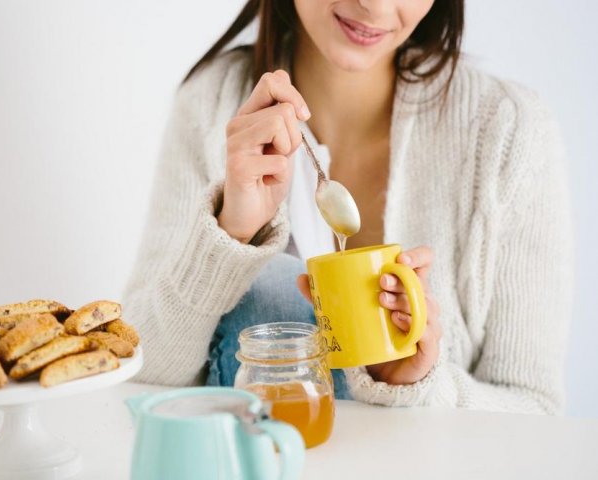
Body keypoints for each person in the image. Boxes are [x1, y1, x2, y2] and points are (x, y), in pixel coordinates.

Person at [123, 0, 572, 414]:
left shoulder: (508, 130)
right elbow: (143, 369)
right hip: (257, 459)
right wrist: (229, 233)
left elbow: (538, 411)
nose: (374, 6)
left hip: (429, 465)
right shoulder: (212, 103)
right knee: (276, 290)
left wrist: (416, 386)